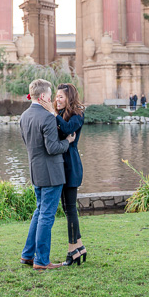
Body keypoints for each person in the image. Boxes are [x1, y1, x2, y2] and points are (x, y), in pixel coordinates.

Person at [20, 78, 76, 271]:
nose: (51, 99)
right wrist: (67, 141)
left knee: (39, 212)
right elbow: (52, 148)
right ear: (43, 96)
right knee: (46, 215)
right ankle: (41, 260)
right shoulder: (47, 117)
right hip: (52, 173)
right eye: (50, 96)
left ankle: (28, 254)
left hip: (35, 171)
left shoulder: (24, 116)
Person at [38, 83, 87, 266]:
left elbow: (67, 129)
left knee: (71, 209)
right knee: (67, 209)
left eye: (60, 97)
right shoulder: (57, 115)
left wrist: (52, 113)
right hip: (58, 164)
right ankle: (80, 247)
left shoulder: (78, 115)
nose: (56, 100)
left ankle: (71, 249)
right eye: (56, 96)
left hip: (71, 165)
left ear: (69, 98)